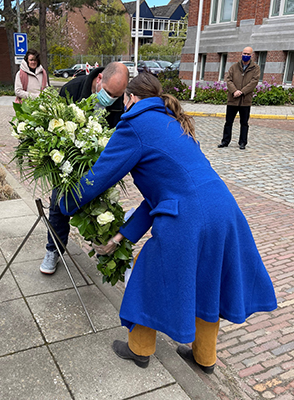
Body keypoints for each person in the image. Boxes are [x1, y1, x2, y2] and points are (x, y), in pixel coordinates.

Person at [59, 73, 277, 372]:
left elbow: (100, 176)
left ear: (130, 98)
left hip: (189, 216)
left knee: (148, 275)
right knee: (208, 280)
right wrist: (123, 235)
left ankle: (139, 349)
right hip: (224, 210)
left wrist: (64, 204)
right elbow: (163, 194)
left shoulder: (134, 124)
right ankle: (205, 357)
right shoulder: (173, 121)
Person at [40, 62, 129, 274]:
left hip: (97, 167)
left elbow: (116, 137)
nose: (112, 99)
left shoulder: (118, 103)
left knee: (100, 211)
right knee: (58, 207)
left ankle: (103, 253)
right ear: (99, 80)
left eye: (117, 96)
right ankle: (54, 250)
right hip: (66, 164)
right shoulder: (72, 89)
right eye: (108, 93)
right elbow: (53, 126)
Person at [218, 47, 260, 150]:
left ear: (251, 55)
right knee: (228, 122)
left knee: (244, 123)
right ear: (241, 54)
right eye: (244, 53)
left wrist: (242, 92)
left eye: (248, 54)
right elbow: (228, 80)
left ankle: (242, 142)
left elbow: (254, 82)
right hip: (232, 99)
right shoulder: (234, 67)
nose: (245, 55)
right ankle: (225, 141)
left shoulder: (255, 68)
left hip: (245, 101)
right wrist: (234, 91)